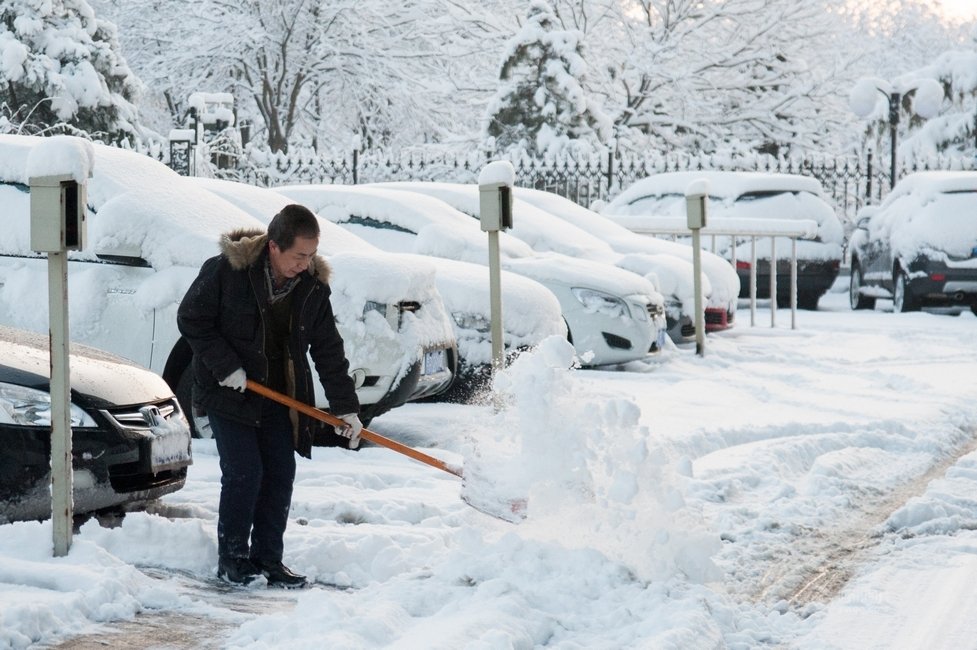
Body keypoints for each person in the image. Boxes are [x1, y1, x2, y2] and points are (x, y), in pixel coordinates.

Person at [177, 204, 363, 587]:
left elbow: (328, 350)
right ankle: (233, 559)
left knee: (280, 472)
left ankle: (268, 559)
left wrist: (346, 408)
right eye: (299, 256)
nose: (305, 264)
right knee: (245, 472)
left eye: (311, 255)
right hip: (229, 390)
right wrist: (225, 365)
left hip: (277, 394)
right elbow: (191, 318)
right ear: (274, 247)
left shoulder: (312, 288)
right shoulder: (227, 271)